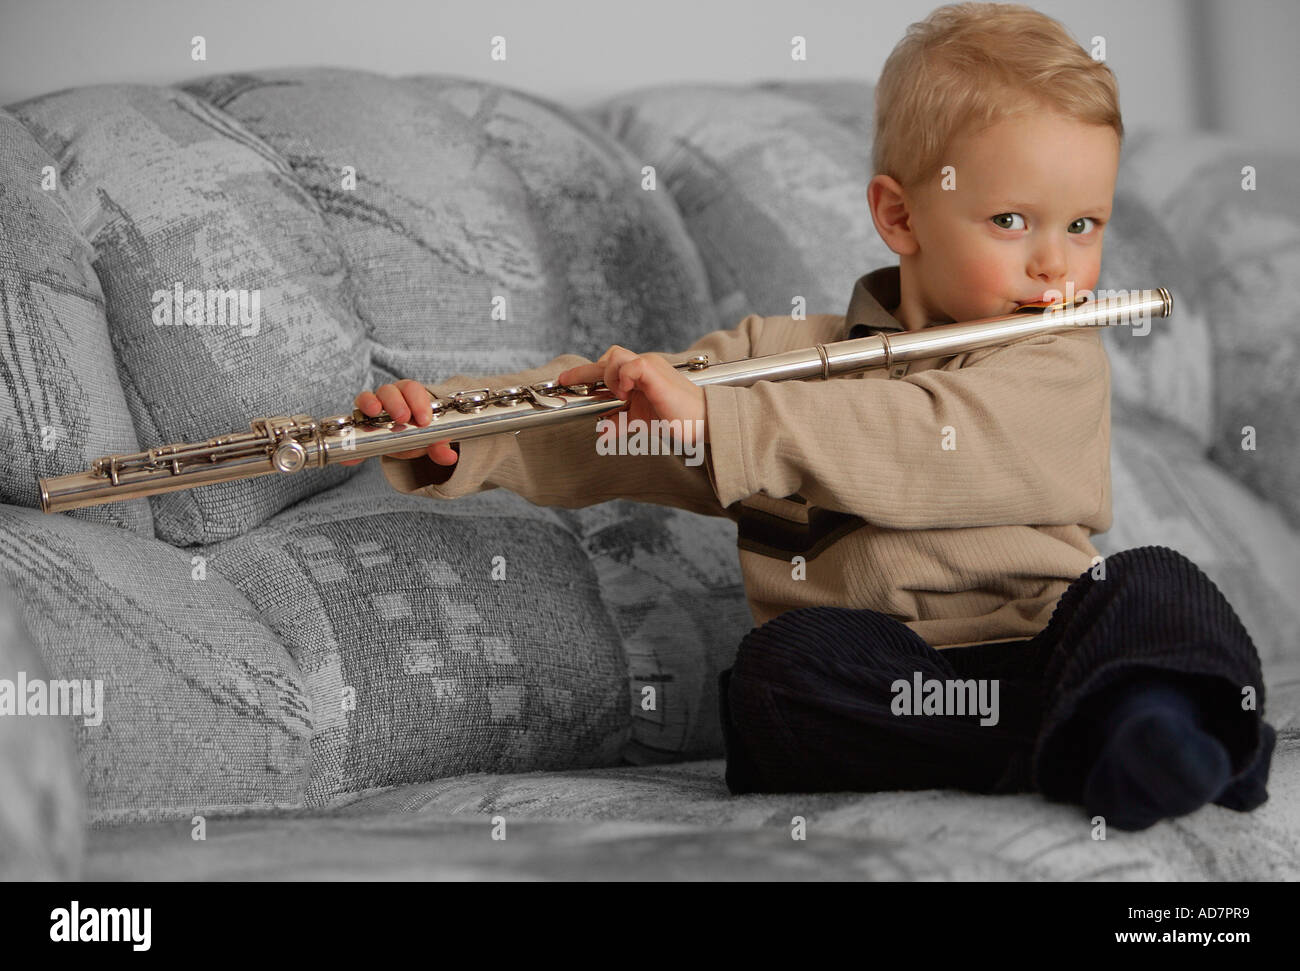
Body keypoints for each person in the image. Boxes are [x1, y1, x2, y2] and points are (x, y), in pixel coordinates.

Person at [348, 2, 1276, 831]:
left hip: (1056, 651)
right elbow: (628, 418)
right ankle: (1084, 754)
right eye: (1012, 221)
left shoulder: (1057, 358)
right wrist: (465, 431)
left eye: (1083, 226)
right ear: (900, 218)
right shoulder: (782, 354)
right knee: (777, 672)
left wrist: (730, 428)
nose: (1056, 266)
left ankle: (1142, 722)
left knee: (1154, 583)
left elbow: (921, 439)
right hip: (897, 687)